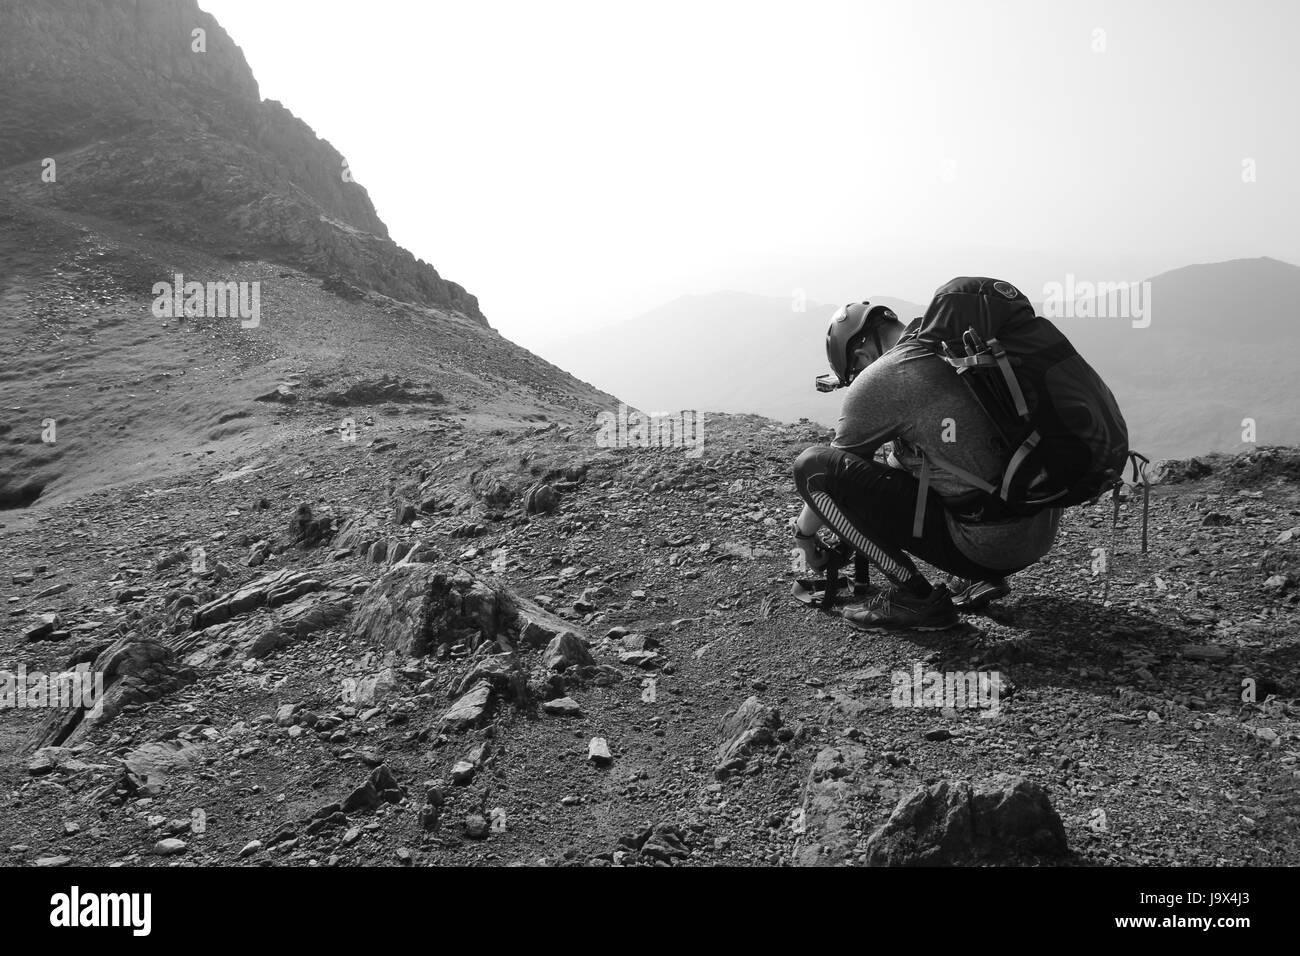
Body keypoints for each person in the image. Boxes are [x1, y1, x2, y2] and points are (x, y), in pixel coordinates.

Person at [793, 301, 1060, 631]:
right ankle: (970, 579)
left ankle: (917, 598)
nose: (857, 380)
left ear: (860, 357)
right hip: (1038, 529)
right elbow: (904, 473)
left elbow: (829, 479)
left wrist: (804, 536)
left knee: (811, 468)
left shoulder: (883, 377)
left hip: (988, 549)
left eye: (854, 374)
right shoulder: (952, 348)